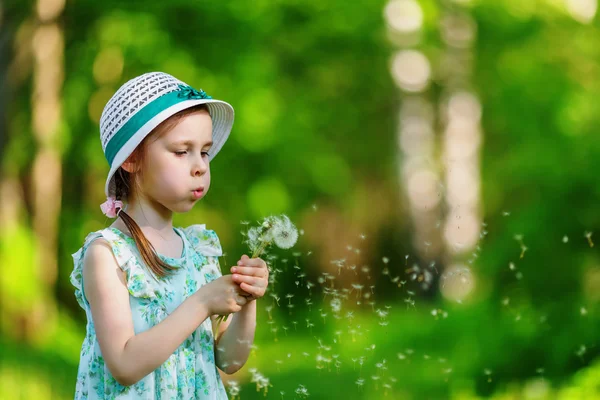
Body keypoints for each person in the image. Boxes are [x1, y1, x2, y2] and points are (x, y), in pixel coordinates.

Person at [69, 71, 269, 399]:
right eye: (181, 151)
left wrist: (246, 302)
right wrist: (203, 302)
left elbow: (229, 361)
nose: (200, 166)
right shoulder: (108, 255)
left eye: (204, 151)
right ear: (132, 159)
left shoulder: (200, 250)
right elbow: (124, 363)